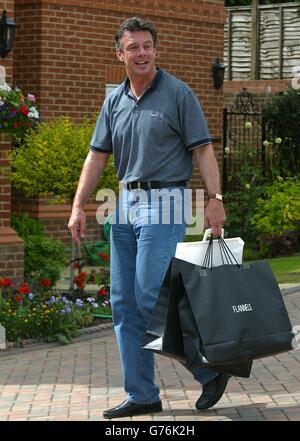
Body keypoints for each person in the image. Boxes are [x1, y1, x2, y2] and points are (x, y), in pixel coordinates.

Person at [68, 16, 229, 419]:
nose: (141, 53)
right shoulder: (114, 101)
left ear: (155, 50)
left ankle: (207, 368)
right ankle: (141, 394)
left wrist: (215, 198)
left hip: (168, 200)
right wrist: (77, 205)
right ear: (119, 54)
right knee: (123, 304)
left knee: (148, 295)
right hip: (124, 203)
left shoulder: (178, 93)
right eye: (133, 47)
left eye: (147, 46)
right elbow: (97, 156)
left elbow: (204, 150)